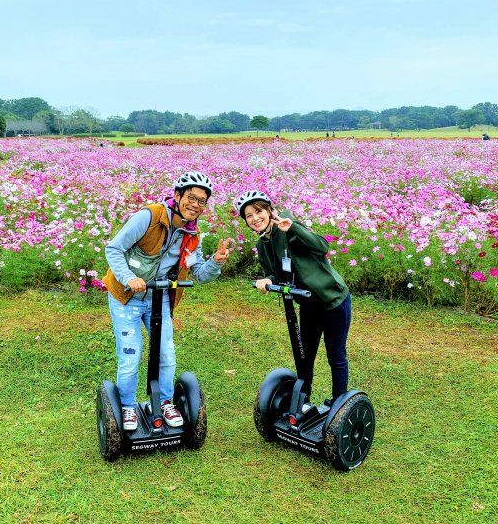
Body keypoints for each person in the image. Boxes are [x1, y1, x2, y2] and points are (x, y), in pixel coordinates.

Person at [103, 172, 233, 431]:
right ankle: (128, 407)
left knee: (166, 353)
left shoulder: (192, 234)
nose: (195, 204)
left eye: (201, 201)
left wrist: (216, 261)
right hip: (126, 297)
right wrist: (129, 277)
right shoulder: (149, 217)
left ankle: (163, 402)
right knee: (131, 354)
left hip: (159, 297)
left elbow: (200, 274)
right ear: (177, 196)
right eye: (191, 198)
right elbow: (114, 248)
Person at [234, 190, 351, 412]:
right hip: (307, 304)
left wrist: (294, 227)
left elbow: (321, 247)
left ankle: (339, 405)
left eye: (258, 211)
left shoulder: (288, 228)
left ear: (269, 211)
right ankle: (303, 403)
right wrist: (267, 280)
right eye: (249, 215)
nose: (255, 218)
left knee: (336, 355)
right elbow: (275, 273)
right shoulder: (262, 245)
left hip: (333, 300)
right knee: (305, 355)